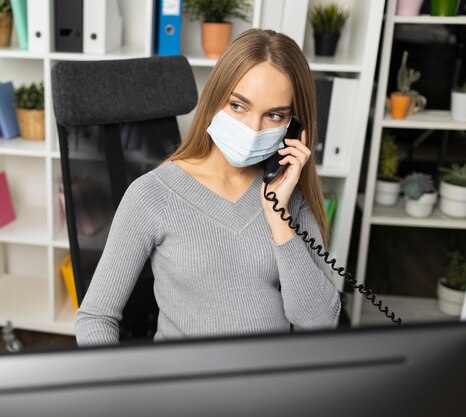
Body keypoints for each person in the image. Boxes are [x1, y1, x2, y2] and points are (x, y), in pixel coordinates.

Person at [75, 28, 341, 346]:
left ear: (294, 128)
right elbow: (95, 318)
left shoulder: (287, 195)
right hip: (184, 386)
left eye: (273, 115)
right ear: (215, 101)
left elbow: (319, 322)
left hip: (270, 383)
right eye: (238, 106)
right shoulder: (152, 195)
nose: (252, 129)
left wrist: (278, 214)